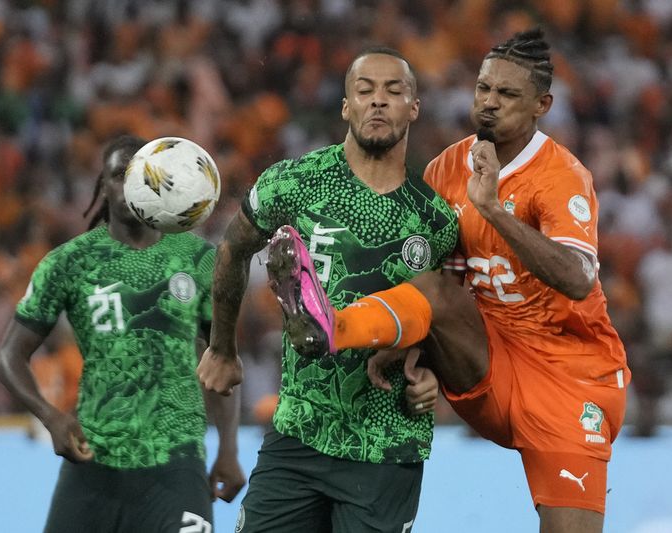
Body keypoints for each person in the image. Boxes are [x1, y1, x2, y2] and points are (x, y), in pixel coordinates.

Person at [262, 29, 630, 532]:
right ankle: (331, 327)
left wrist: (493, 210)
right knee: (433, 285)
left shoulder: (561, 175)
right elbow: (439, 289)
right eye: (483, 89)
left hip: (569, 379)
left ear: (542, 104)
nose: (489, 103)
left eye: (507, 95)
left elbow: (579, 279)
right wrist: (411, 352)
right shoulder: (448, 168)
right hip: (489, 358)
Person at [196, 47, 458, 532]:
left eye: (393, 91)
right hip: (299, 432)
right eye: (365, 90)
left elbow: (449, 320)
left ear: (414, 107)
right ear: (345, 106)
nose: (378, 101)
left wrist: (432, 370)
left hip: (387, 441)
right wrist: (222, 348)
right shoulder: (294, 182)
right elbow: (232, 251)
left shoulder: (437, 220)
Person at [0, 135, 245, 533]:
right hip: (94, 457)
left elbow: (224, 361)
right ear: (102, 185)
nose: (131, 184)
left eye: (141, 174)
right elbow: (10, 355)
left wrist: (229, 450)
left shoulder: (199, 259)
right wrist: (51, 418)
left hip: (177, 458)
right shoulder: (69, 263)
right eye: (119, 175)